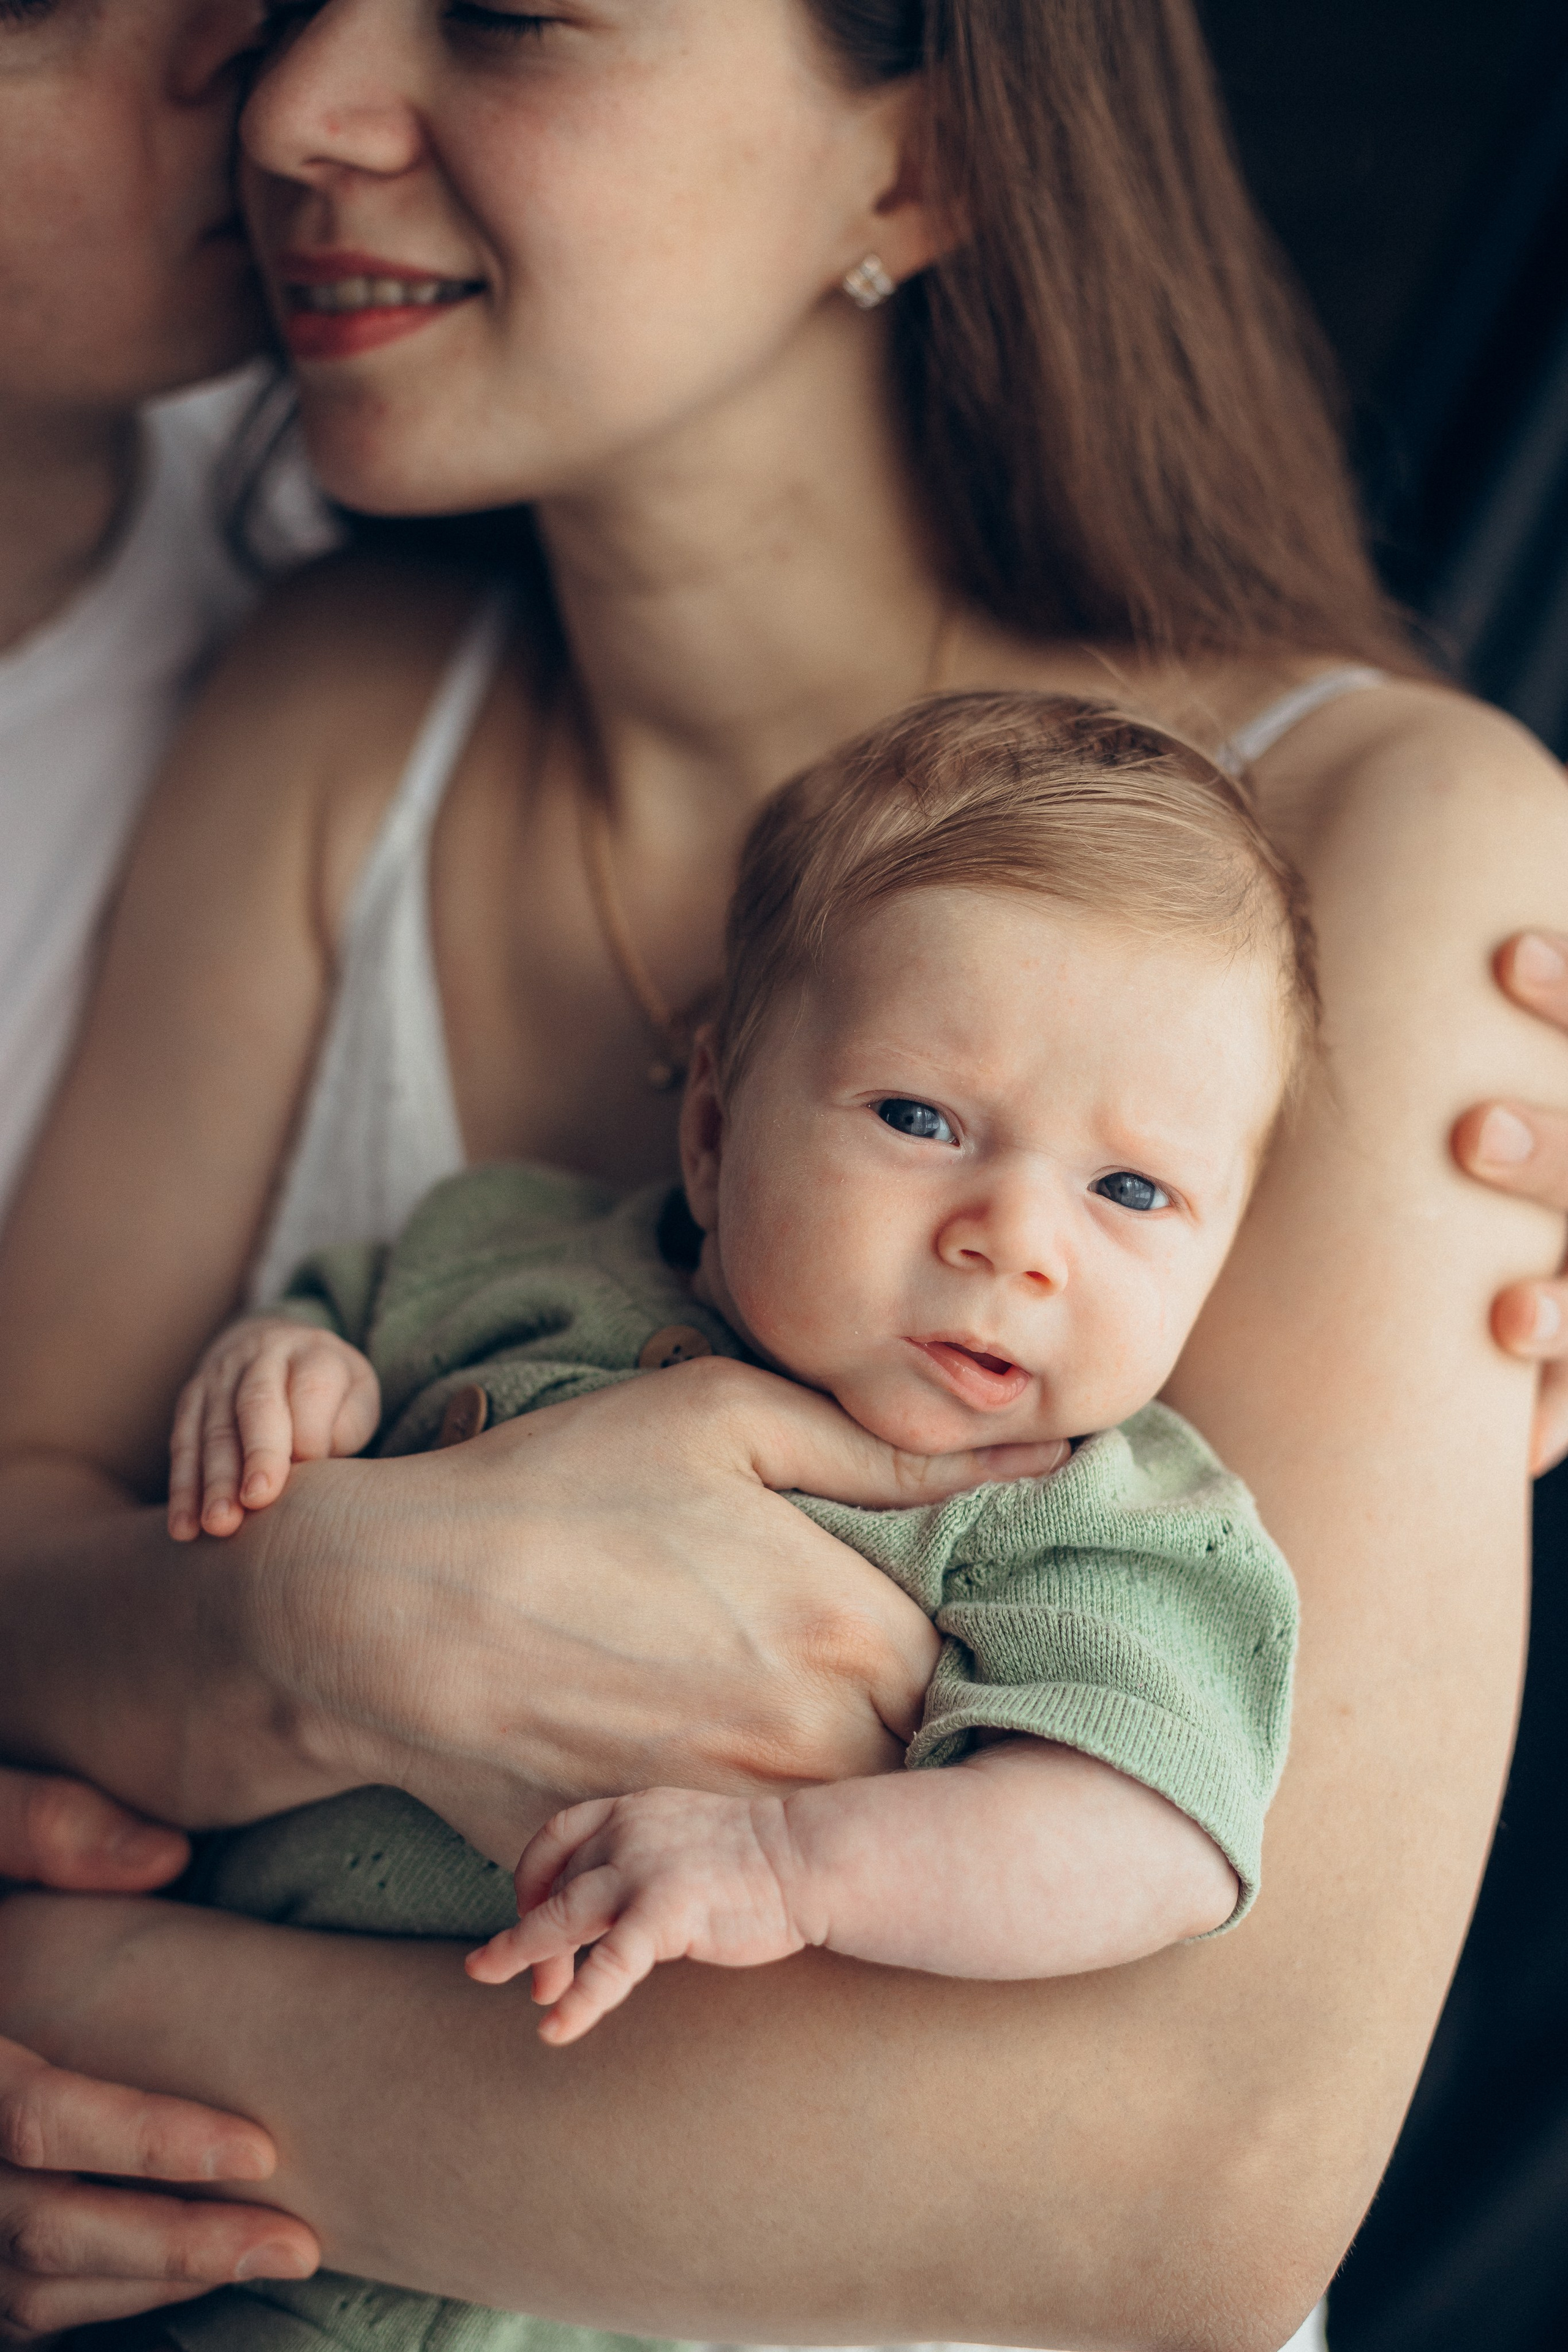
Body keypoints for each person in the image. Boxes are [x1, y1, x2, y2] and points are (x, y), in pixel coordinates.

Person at [4, 2, 1568, 2348]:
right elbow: (18, 1559)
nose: (302, 118)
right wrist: (301, 1622)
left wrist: (60, 1992)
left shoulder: (1385, 849)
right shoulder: (336, 712)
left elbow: (1175, 2200)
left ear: (924, 165)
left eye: (511, 13)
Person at [168, 694, 1303, 2114]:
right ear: (711, 1126)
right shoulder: (499, 1250)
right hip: (193, 2102)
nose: (1015, 1241)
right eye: (917, 1119)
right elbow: (332, 1324)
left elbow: (1147, 1842)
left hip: (548, 2258)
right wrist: (290, 1370)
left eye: (1129, 1191)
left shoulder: (1089, 1516)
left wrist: (788, 1867)